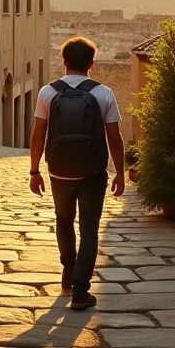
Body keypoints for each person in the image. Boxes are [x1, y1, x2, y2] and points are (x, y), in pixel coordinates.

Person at [28, 36, 125, 311]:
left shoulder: (48, 92)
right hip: (93, 173)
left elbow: (39, 134)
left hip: (59, 172)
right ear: (92, 64)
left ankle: (68, 271)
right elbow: (114, 138)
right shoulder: (103, 93)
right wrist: (119, 173)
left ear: (64, 61)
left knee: (63, 219)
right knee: (90, 229)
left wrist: (35, 170)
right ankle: (81, 291)